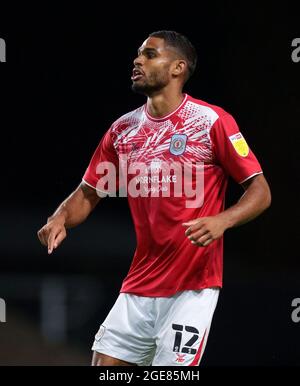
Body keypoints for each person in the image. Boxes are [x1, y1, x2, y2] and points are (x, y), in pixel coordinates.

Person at [37, 30, 271, 366]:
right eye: (138, 54)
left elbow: (260, 190)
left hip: (191, 288)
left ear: (177, 68)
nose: (137, 60)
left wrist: (223, 220)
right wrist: (60, 217)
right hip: (138, 286)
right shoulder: (122, 130)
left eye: (149, 54)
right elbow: (89, 192)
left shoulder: (211, 122)